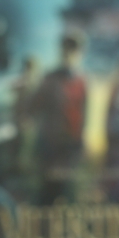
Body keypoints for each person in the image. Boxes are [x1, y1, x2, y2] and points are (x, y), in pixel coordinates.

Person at [29, 33, 88, 202]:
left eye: (74, 51)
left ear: (80, 54)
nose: (70, 55)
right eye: (66, 50)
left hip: (71, 148)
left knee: (68, 193)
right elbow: (33, 107)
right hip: (51, 147)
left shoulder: (82, 82)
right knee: (48, 192)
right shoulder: (50, 79)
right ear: (61, 52)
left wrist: (81, 143)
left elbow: (84, 117)